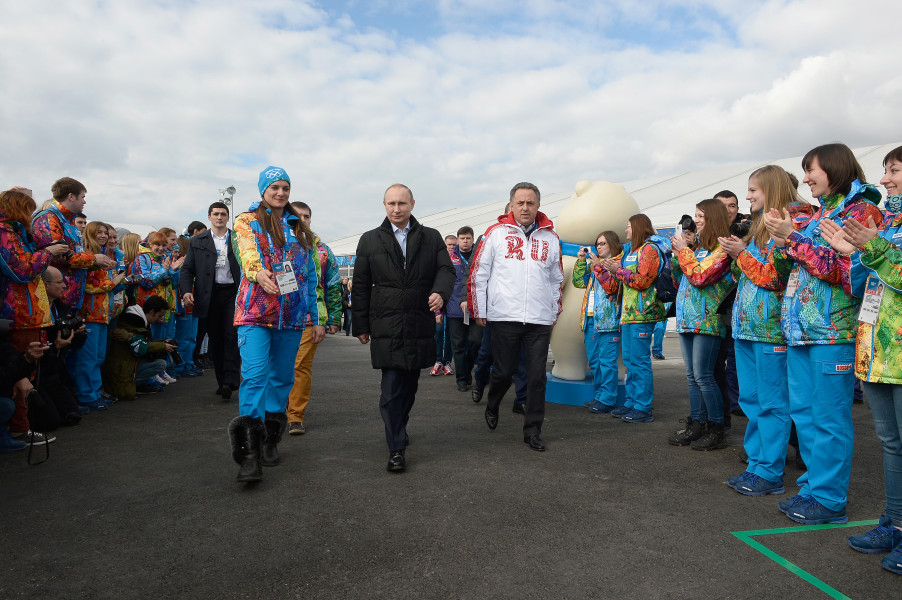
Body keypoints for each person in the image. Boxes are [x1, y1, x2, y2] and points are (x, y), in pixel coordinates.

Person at [763, 142, 884, 525]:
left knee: (830, 418)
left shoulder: (861, 211)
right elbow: (797, 265)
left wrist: (793, 239)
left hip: (834, 331)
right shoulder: (821, 214)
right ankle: (814, 488)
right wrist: (784, 240)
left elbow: (845, 272)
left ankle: (830, 499)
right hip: (801, 330)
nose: (805, 178)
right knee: (805, 414)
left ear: (833, 168)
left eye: (810, 169)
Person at [821, 145, 902, 575]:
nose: (886, 180)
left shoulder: (886, 232)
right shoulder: (885, 224)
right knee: (891, 444)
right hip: (878, 353)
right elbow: (861, 286)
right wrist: (853, 253)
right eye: (886, 171)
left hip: (900, 353)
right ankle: (894, 522)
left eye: (895, 171)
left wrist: (873, 251)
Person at [228, 166, 322, 483]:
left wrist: (316, 317)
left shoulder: (299, 229)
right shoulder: (246, 220)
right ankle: (250, 454)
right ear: (263, 190)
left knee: (282, 378)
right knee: (254, 377)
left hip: (292, 318)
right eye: (274, 187)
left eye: (285, 187)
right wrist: (257, 272)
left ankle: (270, 439)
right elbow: (246, 252)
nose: (280, 192)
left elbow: (310, 278)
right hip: (254, 313)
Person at [352, 183, 454, 472]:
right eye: (391, 204)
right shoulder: (370, 240)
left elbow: (446, 270)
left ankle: (399, 426)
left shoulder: (430, 237)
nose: (396, 209)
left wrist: (440, 292)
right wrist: (360, 324)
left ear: (412, 205)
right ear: (384, 205)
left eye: (402, 203)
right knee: (392, 388)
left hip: (419, 320)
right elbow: (359, 285)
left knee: (410, 386)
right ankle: (396, 447)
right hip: (386, 322)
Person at [719, 166, 795, 496]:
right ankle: (756, 463)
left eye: (753, 190)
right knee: (751, 400)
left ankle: (769, 472)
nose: (747, 196)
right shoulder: (757, 229)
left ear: (771, 189)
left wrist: (741, 254)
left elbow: (773, 278)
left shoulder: (785, 226)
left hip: (770, 330)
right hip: (747, 329)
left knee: (771, 403)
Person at [470, 182, 563, 452]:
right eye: (520, 203)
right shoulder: (496, 234)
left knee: (536, 377)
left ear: (537, 206)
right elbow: (479, 273)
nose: (525, 207)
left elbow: (557, 278)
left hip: (538, 320)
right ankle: (493, 402)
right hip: (504, 316)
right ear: (511, 205)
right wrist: (480, 310)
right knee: (503, 372)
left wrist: (553, 310)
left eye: (530, 203)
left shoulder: (550, 238)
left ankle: (533, 430)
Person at [667, 199, 735, 450]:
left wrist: (684, 251)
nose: (695, 220)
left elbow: (700, 277)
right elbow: (680, 278)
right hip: (687, 320)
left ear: (713, 218)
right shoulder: (699, 249)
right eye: (695, 215)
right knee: (692, 377)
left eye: (701, 216)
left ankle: (717, 427)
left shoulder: (723, 249)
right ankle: (697, 423)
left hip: (708, 322)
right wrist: (678, 255)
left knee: (705, 376)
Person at [601, 214, 667, 423]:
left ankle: (643, 406)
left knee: (639, 361)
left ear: (638, 228)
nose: (626, 231)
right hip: (628, 314)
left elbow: (643, 280)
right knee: (630, 360)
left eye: (629, 227)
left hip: (642, 314)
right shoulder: (633, 251)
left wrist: (617, 270)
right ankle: (631, 402)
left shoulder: (649, 250)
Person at [286, 201, 342, 435]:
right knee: (278, 366)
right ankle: (274, 409)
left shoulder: (322, 250)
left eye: (306, 216)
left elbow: (333, 284)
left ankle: (295, 416)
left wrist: (334, 318)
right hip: (280, 317)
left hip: (310, 317)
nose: (303, 220)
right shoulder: (278, 245)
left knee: (300, 366)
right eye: (297, 216)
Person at [180, 202, 242, 399]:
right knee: (216, 338)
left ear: (227, 216)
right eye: (216, 214)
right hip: (209, 294)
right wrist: (186, 291)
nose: (220, 217)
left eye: (223, 214)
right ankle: (222, 382)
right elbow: (187, 269)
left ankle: (231, 378)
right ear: (209, 217)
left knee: (231, 335)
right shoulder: (198, 240)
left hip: (232, 292)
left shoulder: (238, 240)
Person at [31, 177, 115, 311]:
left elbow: (75, 257)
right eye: (82, 197)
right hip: (54, 299)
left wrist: (96, 264)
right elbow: (60, 256)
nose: (85, 201)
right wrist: (94, 259)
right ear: (71, 196)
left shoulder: (69, 221)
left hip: (71, 297)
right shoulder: (49, 218)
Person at [68, 222, 125, 411]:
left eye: (105, 233)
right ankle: (85, 396)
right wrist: (113, 282)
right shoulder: (88, 257)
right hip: (89, 314)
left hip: (103, 315)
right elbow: (87, 286)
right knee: (87, 358)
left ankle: (93, 392)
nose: (104, 236)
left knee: (98, 357)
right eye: (99, 232)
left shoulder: (101, 257)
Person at [574, 231, 623, 414]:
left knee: (607, 362)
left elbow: (611, 287)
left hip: (609, 320)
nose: (599, 246)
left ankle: (608, 399)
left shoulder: (616, 264)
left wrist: (598, 267)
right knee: (595, 361)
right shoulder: (597, 265)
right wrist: (581, 261)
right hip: (590, 318)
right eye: (597, 244)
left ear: (612, 243)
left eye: (603, 243)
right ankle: (601, 395)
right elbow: (578, 282)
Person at [104, 295, 178, 401]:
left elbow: (140, 344)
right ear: (152, 312)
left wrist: (162, 343)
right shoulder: (134, 323)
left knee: (160, 360)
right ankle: (135, 384)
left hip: (127, 363)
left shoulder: (138, 320)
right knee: (160, 364)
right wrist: (162, 346)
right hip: (121, 368)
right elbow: (141, 347)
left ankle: (139, 383)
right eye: (160, 316)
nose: (160, 319)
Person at [445, 226, 483, 393]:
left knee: (476, 342)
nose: (465, 241)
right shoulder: (449, 259)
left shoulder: (479, 257)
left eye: (468, 238)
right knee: (458, 346)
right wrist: (439, 312)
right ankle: (462, 379)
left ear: (472, 239)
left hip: (475, 308)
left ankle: (467, 371)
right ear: (457, 240)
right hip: (454, 309)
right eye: (462, 238)